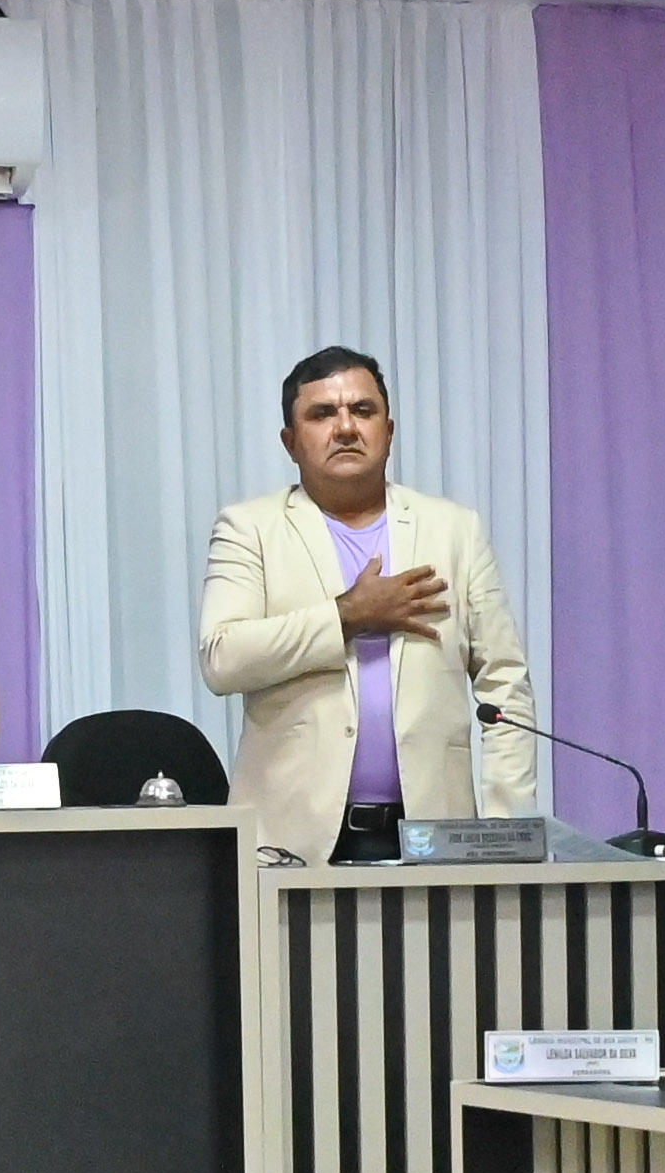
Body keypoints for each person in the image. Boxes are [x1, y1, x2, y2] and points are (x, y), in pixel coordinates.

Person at [201, 347, 539, 865]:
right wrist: (347, 615)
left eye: (362, 410)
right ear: (290, 442)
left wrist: (504, 831)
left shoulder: (454, 529)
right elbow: (222, 658)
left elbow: (506, 687)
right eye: (322, 414)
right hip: (290, 842)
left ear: (389, 430)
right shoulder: (251, 529)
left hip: (435, 836)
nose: (345, 428)